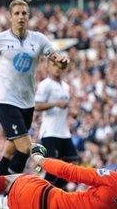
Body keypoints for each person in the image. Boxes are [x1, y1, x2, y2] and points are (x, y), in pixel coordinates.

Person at [0, 0, 69, 176]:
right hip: (6, 101)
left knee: (9, 152)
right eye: (17, 13)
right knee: (26, 147)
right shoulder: (0, 39)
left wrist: (61, 60)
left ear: (28, 16)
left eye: (24, 13)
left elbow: (55, 56)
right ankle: (12, 188)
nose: (21, 17)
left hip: (27, 104)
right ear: (10, 17)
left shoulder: (38, 39)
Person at [35, 60, 79, 189]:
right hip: (50, 132)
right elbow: (37, 105)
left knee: (71, 164)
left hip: (64, 132)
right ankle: (40, 192)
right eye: (54, 65)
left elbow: (65, 107)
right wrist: (55, 104)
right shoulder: (45, 85)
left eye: (60, 66)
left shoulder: (65, 86)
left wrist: (72, 112)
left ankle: (55, 193)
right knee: (53, 169)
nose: (58, 69)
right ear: (48, 67)